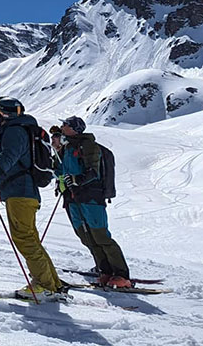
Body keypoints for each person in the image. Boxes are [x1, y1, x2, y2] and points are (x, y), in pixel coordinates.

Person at [0, 96, 68, 302]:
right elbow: (10, 159)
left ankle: (44, 286)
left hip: (20, 193)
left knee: (25, 239)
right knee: (31, 239)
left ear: (2, 114)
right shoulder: (23, 129)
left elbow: (8, 158)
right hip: (24, 192)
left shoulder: (14, 130)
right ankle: (52, 284)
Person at [52, 116, 132, 288]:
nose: (61, 127)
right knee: (86, 236)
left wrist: (76, 179)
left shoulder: (88, 145)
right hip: (72, 198)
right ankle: (105, 271)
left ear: (74, 128)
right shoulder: (66, 149)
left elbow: (93, 171)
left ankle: (121, 275)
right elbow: (57, 170)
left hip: (90, 197)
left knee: (101, 235)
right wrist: (57, 150)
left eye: (65, 125)